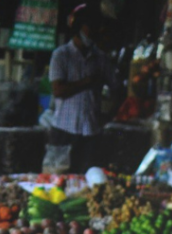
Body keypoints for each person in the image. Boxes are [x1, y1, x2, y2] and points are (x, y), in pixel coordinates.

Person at [48, 4, 113, 173]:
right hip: (64, 129)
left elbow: (116, 88)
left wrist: (108, 115)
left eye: (96, 27)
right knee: (59, 178)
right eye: (89, 27)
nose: (93, 31)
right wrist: (87, 81)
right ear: (78, 27)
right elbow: (58, 90)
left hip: (91, 131)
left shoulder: (101, 58)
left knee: (87, 180)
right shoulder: (61, 55)